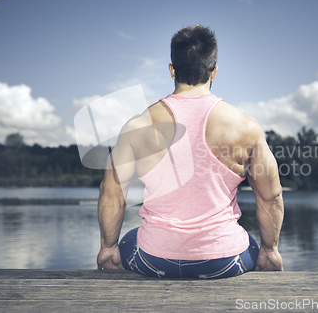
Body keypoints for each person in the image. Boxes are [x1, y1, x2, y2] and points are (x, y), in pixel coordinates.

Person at [97, 25, 284, 278]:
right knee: (249, 243)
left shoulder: (137, 126)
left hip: (154, 259)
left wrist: (108, 248)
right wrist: (270, 250)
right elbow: (270, 196)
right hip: (223, 261)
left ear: (172, 70)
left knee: (131, 238)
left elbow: (112, 192)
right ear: (214, 71)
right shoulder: (246, 127)